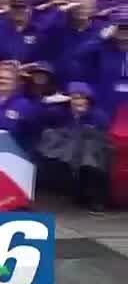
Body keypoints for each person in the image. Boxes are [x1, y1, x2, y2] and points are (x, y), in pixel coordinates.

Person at [35, 82, 111, 213]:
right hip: (72, 155)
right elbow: (40, 116)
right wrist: (48, 101)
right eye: (75, 98)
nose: (79, 101)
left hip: (93, 157)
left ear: (89, 100)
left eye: (82, 97)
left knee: (89, 156)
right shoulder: (62, 113)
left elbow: (101, 136)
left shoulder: (98, 115)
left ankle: (97, 200)